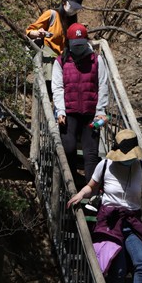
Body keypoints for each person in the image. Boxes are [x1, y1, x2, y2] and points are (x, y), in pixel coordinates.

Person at [67, 129, 142, 283]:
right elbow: (92, 186)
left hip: (132, 222)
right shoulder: (105, 165)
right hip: (110, 222)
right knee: (117, 269)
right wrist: (80, 195)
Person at [52, 23, 108, 188]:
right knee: (68, 149)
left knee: (91, 154)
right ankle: (70, 187)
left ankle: (91, 193)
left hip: (91, 114)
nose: (78, 48)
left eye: (81, 44)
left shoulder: (97, 60)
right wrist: (60, 110)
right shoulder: (61, 61)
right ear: (69, 43)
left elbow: (103, 85)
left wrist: (100, 110)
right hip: (69, 112)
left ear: (86, 41)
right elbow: (57, 87)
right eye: (75, 45)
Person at [26, 0, 85, 82]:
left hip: (64, 64)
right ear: (64, 1)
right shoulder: (51, 14)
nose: (73, 10)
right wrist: (38, 33)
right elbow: (29, 31)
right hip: (49, 62)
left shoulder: (73, 24)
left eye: (76, 8)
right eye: (72, 6)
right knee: (49, 87)